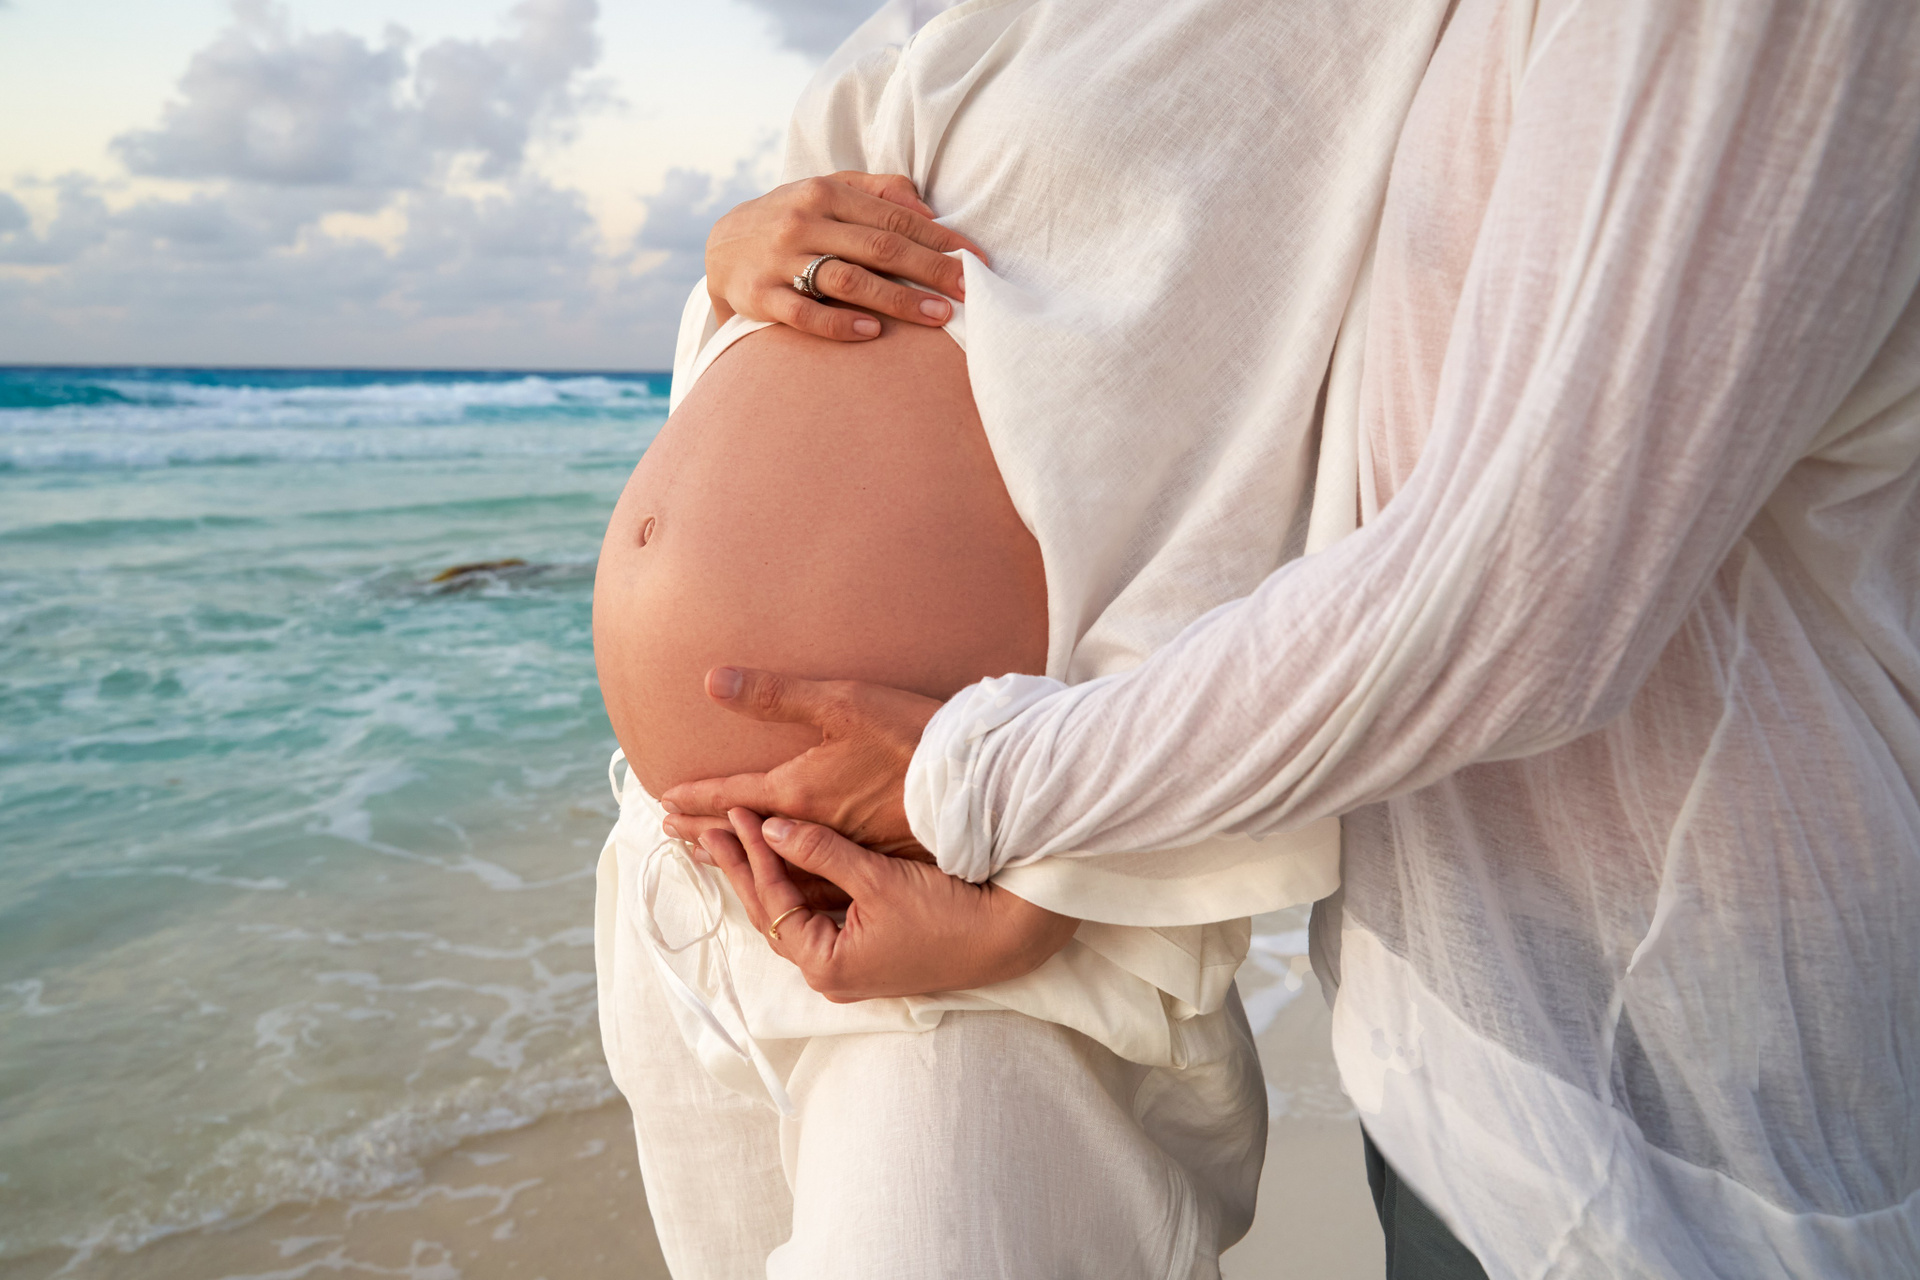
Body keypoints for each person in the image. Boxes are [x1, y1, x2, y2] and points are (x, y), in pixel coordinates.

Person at [665, 1, 1920, 1276]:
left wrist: (1012, 811)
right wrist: (735, 269)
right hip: (1436, 1004)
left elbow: (1515, 589)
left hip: (1696, 1065)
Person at [593, 0, 1451, 1275]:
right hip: (692, 876)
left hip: (965, 905)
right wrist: (736, 263)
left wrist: (1055, 885)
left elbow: (1313, 453)